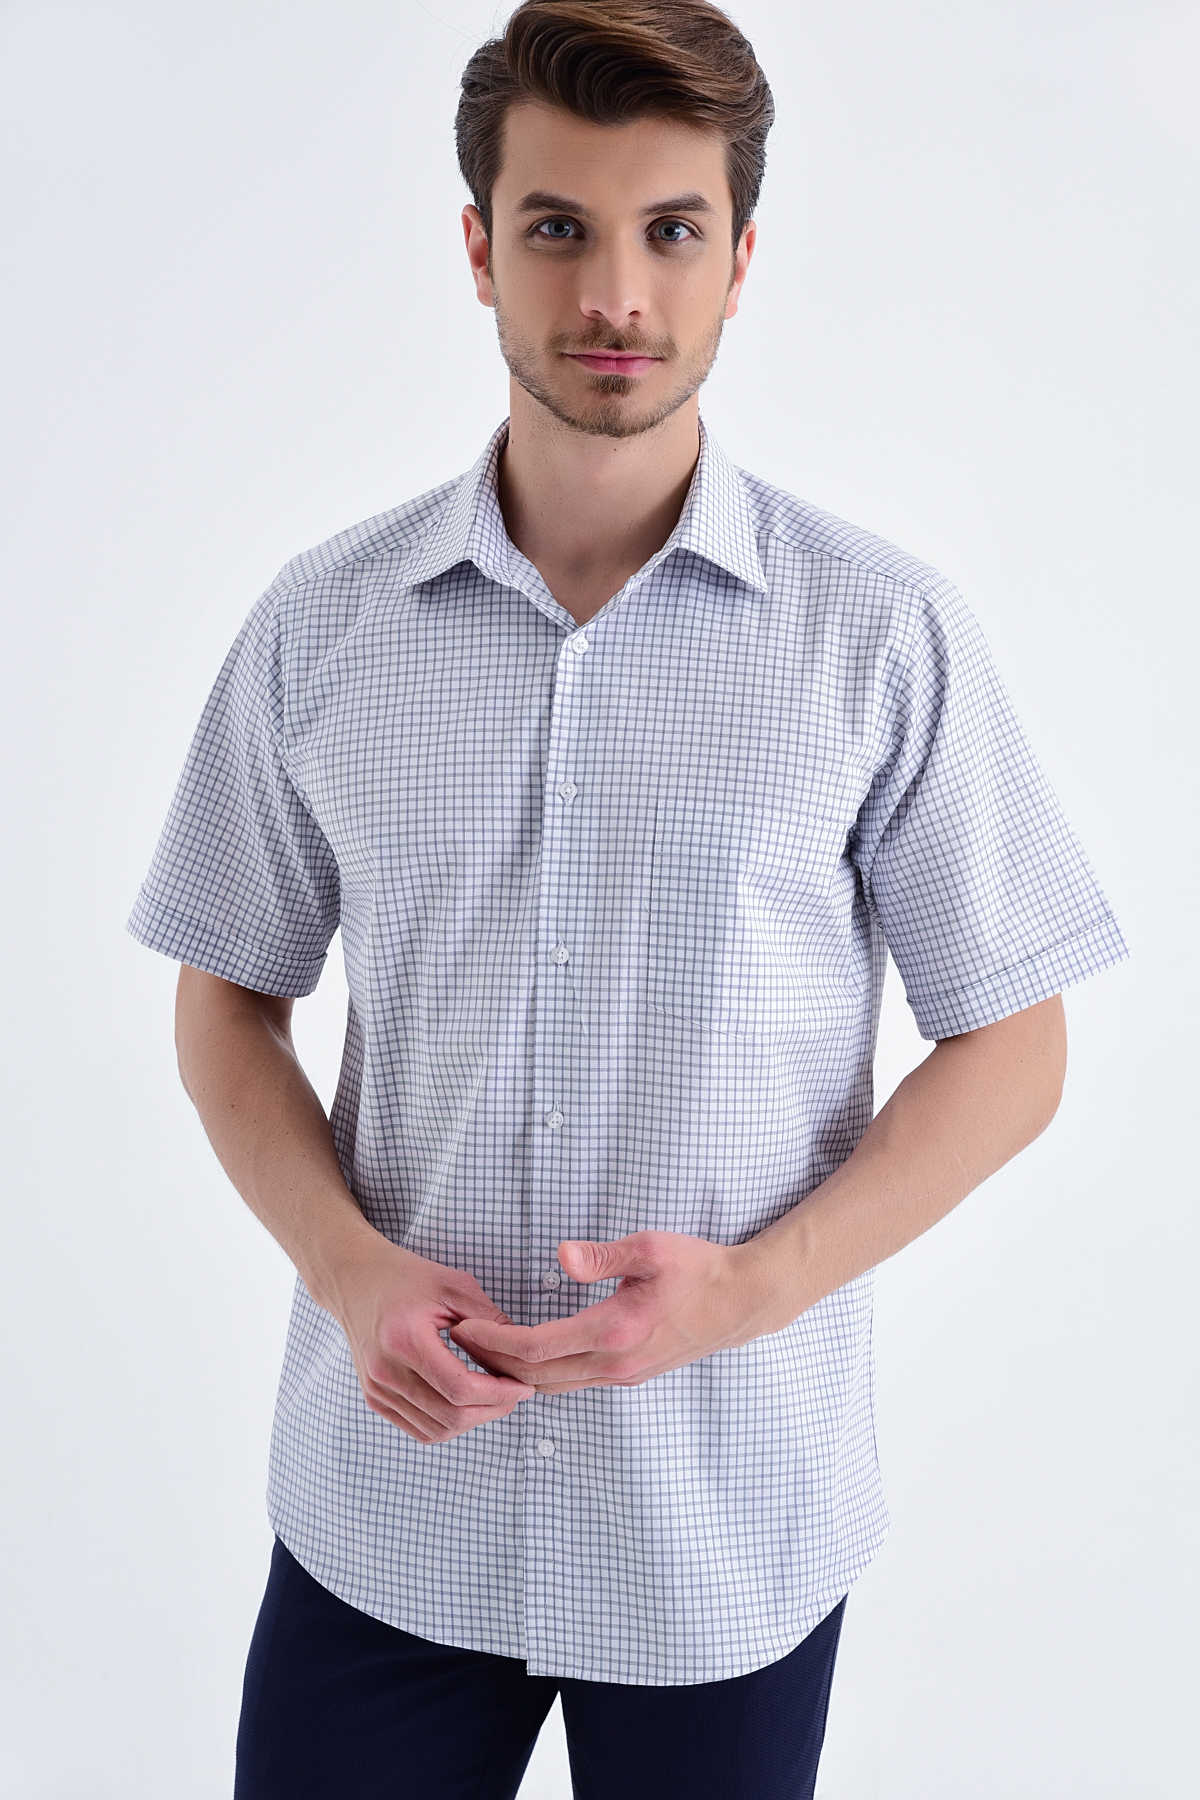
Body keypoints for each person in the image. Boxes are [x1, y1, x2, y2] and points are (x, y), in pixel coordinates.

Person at [124, 3, 1131, 1795]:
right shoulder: (322, 625)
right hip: (390, 1518)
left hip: (723, 1531)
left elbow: (1018, 1041)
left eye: (671, 230)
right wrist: (348, 1273)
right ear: (478, 249)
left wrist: (750, 1292)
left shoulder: (878, 636)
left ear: (743, 257)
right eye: (558, 227)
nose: (615, 295)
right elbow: (227, 996)